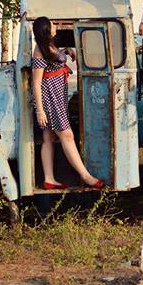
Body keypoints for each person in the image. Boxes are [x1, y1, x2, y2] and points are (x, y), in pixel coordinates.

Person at [31, 16, 104, 190]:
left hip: (56, 95)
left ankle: (49, 178)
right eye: (52, 25)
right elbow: (36, 82)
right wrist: (40, 111)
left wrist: (68, 51)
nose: (55, 26)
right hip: (50, 98)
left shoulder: (50, 46)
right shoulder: (39, 51)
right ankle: (86, 176)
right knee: (67, 135)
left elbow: (56, 58)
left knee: (48, 137)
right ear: (46, 30)